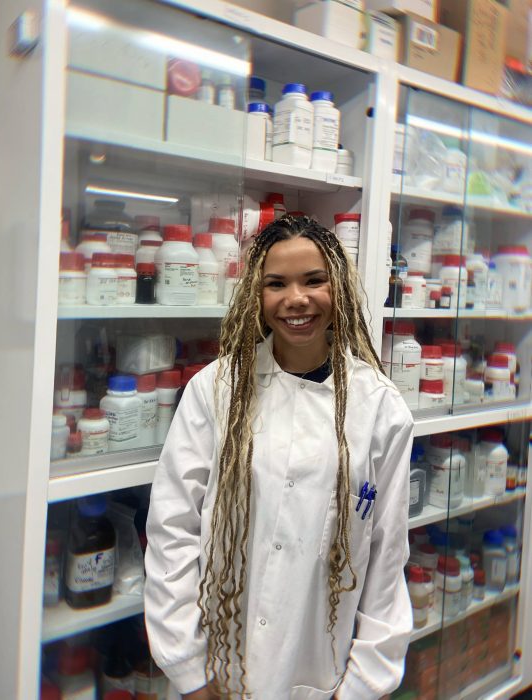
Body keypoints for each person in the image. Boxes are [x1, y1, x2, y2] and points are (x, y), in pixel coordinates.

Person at [145, 215, 414, 700]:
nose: (296, 299)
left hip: (317, 673)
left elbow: (386, 561)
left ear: (340, 290)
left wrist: (359, 688)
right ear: (256, 294)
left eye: (314, 280)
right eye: (276, 284)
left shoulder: (380, 408)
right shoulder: (216, 389)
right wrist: (188, 669)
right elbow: (172, 529)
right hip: (214, 668)